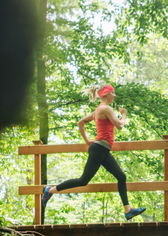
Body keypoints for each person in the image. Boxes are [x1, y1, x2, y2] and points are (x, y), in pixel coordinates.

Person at [40, 83, 146, 221]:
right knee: (83, 180)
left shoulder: (97, 110)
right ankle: (50, 190)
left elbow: (80, 123)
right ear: (106, 94)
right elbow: (120, 125)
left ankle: (128, 210)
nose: (114, 95)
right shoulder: (106, 108)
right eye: (113, 93)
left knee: (121, 177)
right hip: (99, 149)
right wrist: (124, 115)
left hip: (102, 149)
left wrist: (87, 140)